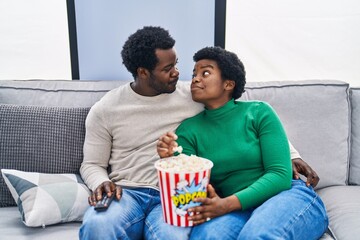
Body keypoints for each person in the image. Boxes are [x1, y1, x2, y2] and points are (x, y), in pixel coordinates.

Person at [79, 26, 320, 240]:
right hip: (130, 192)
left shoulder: (193, 95)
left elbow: (243, 117)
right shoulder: (107, 109)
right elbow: (92, 163)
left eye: (177, 64)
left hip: (178, 196)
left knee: (174, 235)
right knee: (98, 226)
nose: (180, 74)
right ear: (143, 72)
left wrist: (290, 154)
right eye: (168, 68)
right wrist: (103, 181)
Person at [157, 46, 329, 240]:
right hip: (234, 208)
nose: (195, 79)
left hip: (285, 196)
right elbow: (190, 186)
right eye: (194, 73)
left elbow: (280, 175)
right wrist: (171, 158)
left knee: (257, 235)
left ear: (228, 84)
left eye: (205, 72)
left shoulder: (258, 112)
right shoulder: (187, 131)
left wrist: (227, 204)